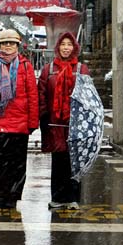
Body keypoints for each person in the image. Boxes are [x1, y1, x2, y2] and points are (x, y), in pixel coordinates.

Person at [0, 29, 39, 211]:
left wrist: (32, 122)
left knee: (17, 164)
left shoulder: (25, 66)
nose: (8, 46)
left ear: (17, 46)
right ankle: (1, 194)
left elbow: (32, 96)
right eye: (5, 43)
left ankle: (13, 196)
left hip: (19, 124)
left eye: (11, 43)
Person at [38, 31, 90, 210]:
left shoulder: (82, 69)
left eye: (69, 44)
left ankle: (73, 197)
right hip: (55, 123)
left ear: (74, 48)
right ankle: (58, 197)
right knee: (58, 160)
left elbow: (88, 95)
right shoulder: (49, 69)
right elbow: (42, 94)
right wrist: (44, 115)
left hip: (76, 123)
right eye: (63, 44)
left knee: (74, 161)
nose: (66, 48)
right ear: (58, 47)